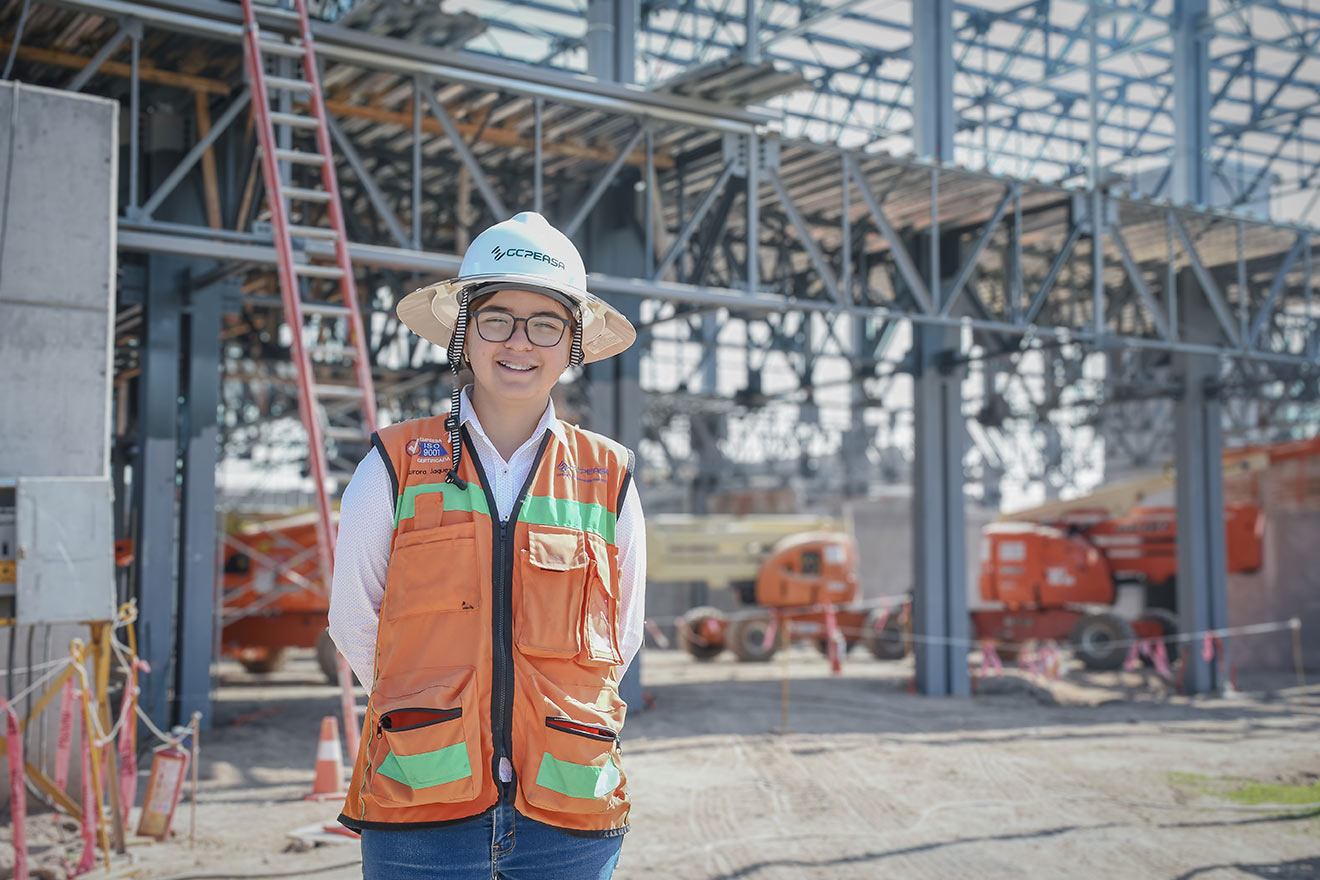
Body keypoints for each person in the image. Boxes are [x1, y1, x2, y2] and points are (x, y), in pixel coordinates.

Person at [328, 212, 646, 879]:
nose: (519, 343)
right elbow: (356, 622)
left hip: (567, 811)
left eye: (546, 324)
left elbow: (621, 634)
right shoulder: (392, 466)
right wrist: (427, 715)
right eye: (497, 318)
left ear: (574, 343)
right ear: (463, 335)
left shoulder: (608, 477)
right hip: (422, 806)